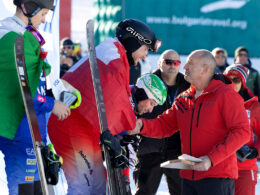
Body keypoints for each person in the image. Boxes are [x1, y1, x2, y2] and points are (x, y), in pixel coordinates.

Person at [47, 19, 161, 194]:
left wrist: (120, 139)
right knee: (84, 186)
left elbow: (118, 97)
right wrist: (128, 128)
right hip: (72, 124)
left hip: (86, 129)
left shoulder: (117, 55)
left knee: (99, 187)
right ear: (134, 41)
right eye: (145, 49)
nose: (145, 55)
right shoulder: (112, 55)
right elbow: (114, 99)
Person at [128, 49, 251, 195]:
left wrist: (211, 159)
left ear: (205, 68)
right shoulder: (184, 98)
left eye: (190, 64)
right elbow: (165, 125)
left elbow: (242, 132)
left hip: (217, 179)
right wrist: (141, 125)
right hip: (187, 179)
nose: (184, 68)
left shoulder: (226, 95)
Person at [0, 0, 73, 194]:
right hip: (19, 128)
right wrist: (52, 104)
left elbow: (39, 79)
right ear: (28, 8)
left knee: (36, 189)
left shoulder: (24, 35)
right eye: (42, 15)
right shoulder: (12, 37)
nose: (43, 20)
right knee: (24, 189)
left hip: (31, 130)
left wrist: (60, 90)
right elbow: (22, 90)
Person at [133, 49, 190, 195]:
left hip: (177, 150)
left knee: (180, 192)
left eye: (176, 62)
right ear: (159, 63)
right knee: (144, 192)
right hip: (150, 149)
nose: (172, 65)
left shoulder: (188, 86)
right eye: (168, 61)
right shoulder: (147, 82)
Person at [224, 64, 260, 195]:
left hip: (244, 166)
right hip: (219, 165)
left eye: (236, 80)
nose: (232, 83)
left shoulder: (253, 107)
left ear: (243, 82)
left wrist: (256, 151)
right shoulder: (214, 103)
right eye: (228, 80)